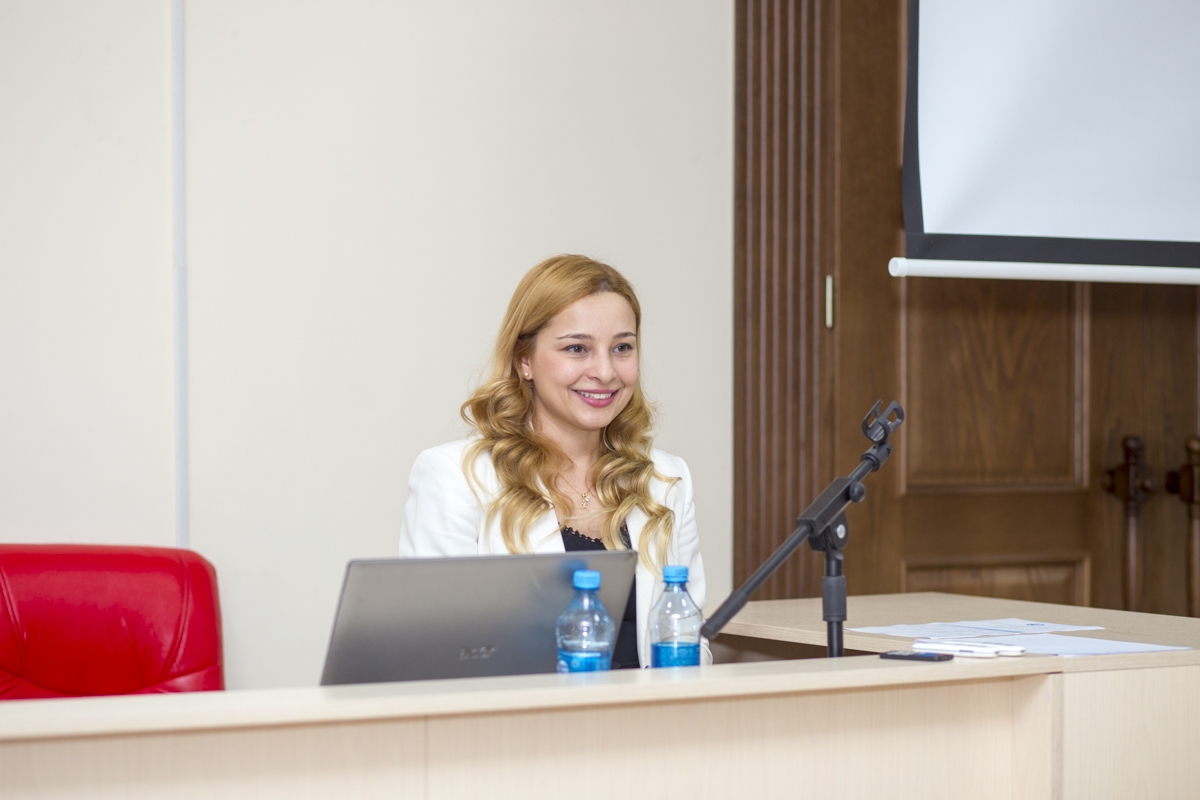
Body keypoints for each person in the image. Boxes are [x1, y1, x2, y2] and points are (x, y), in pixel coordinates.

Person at [399, 254, 710, 668]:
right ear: (524, 359)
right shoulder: (456, 476)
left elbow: (692, 640)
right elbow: (435, 653)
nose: (605, 371)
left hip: (647, 710)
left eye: (622, 348)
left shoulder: (667, 479)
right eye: (577, 348)